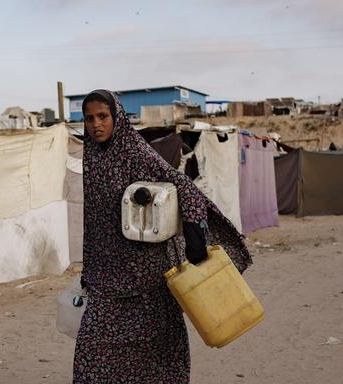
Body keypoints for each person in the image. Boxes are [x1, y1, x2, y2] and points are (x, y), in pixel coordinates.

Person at [75, 89, 251, 383]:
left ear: (116, 117)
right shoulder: (92, 158)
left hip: (149, 280)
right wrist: (89, 267)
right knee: (92, 354)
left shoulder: (136, 153)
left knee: (157, 357)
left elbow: (189, 191)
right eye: (90, 118)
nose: (96, 124)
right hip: (106, 281)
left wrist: (196, 241)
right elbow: (92, 220)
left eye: (103, 116)